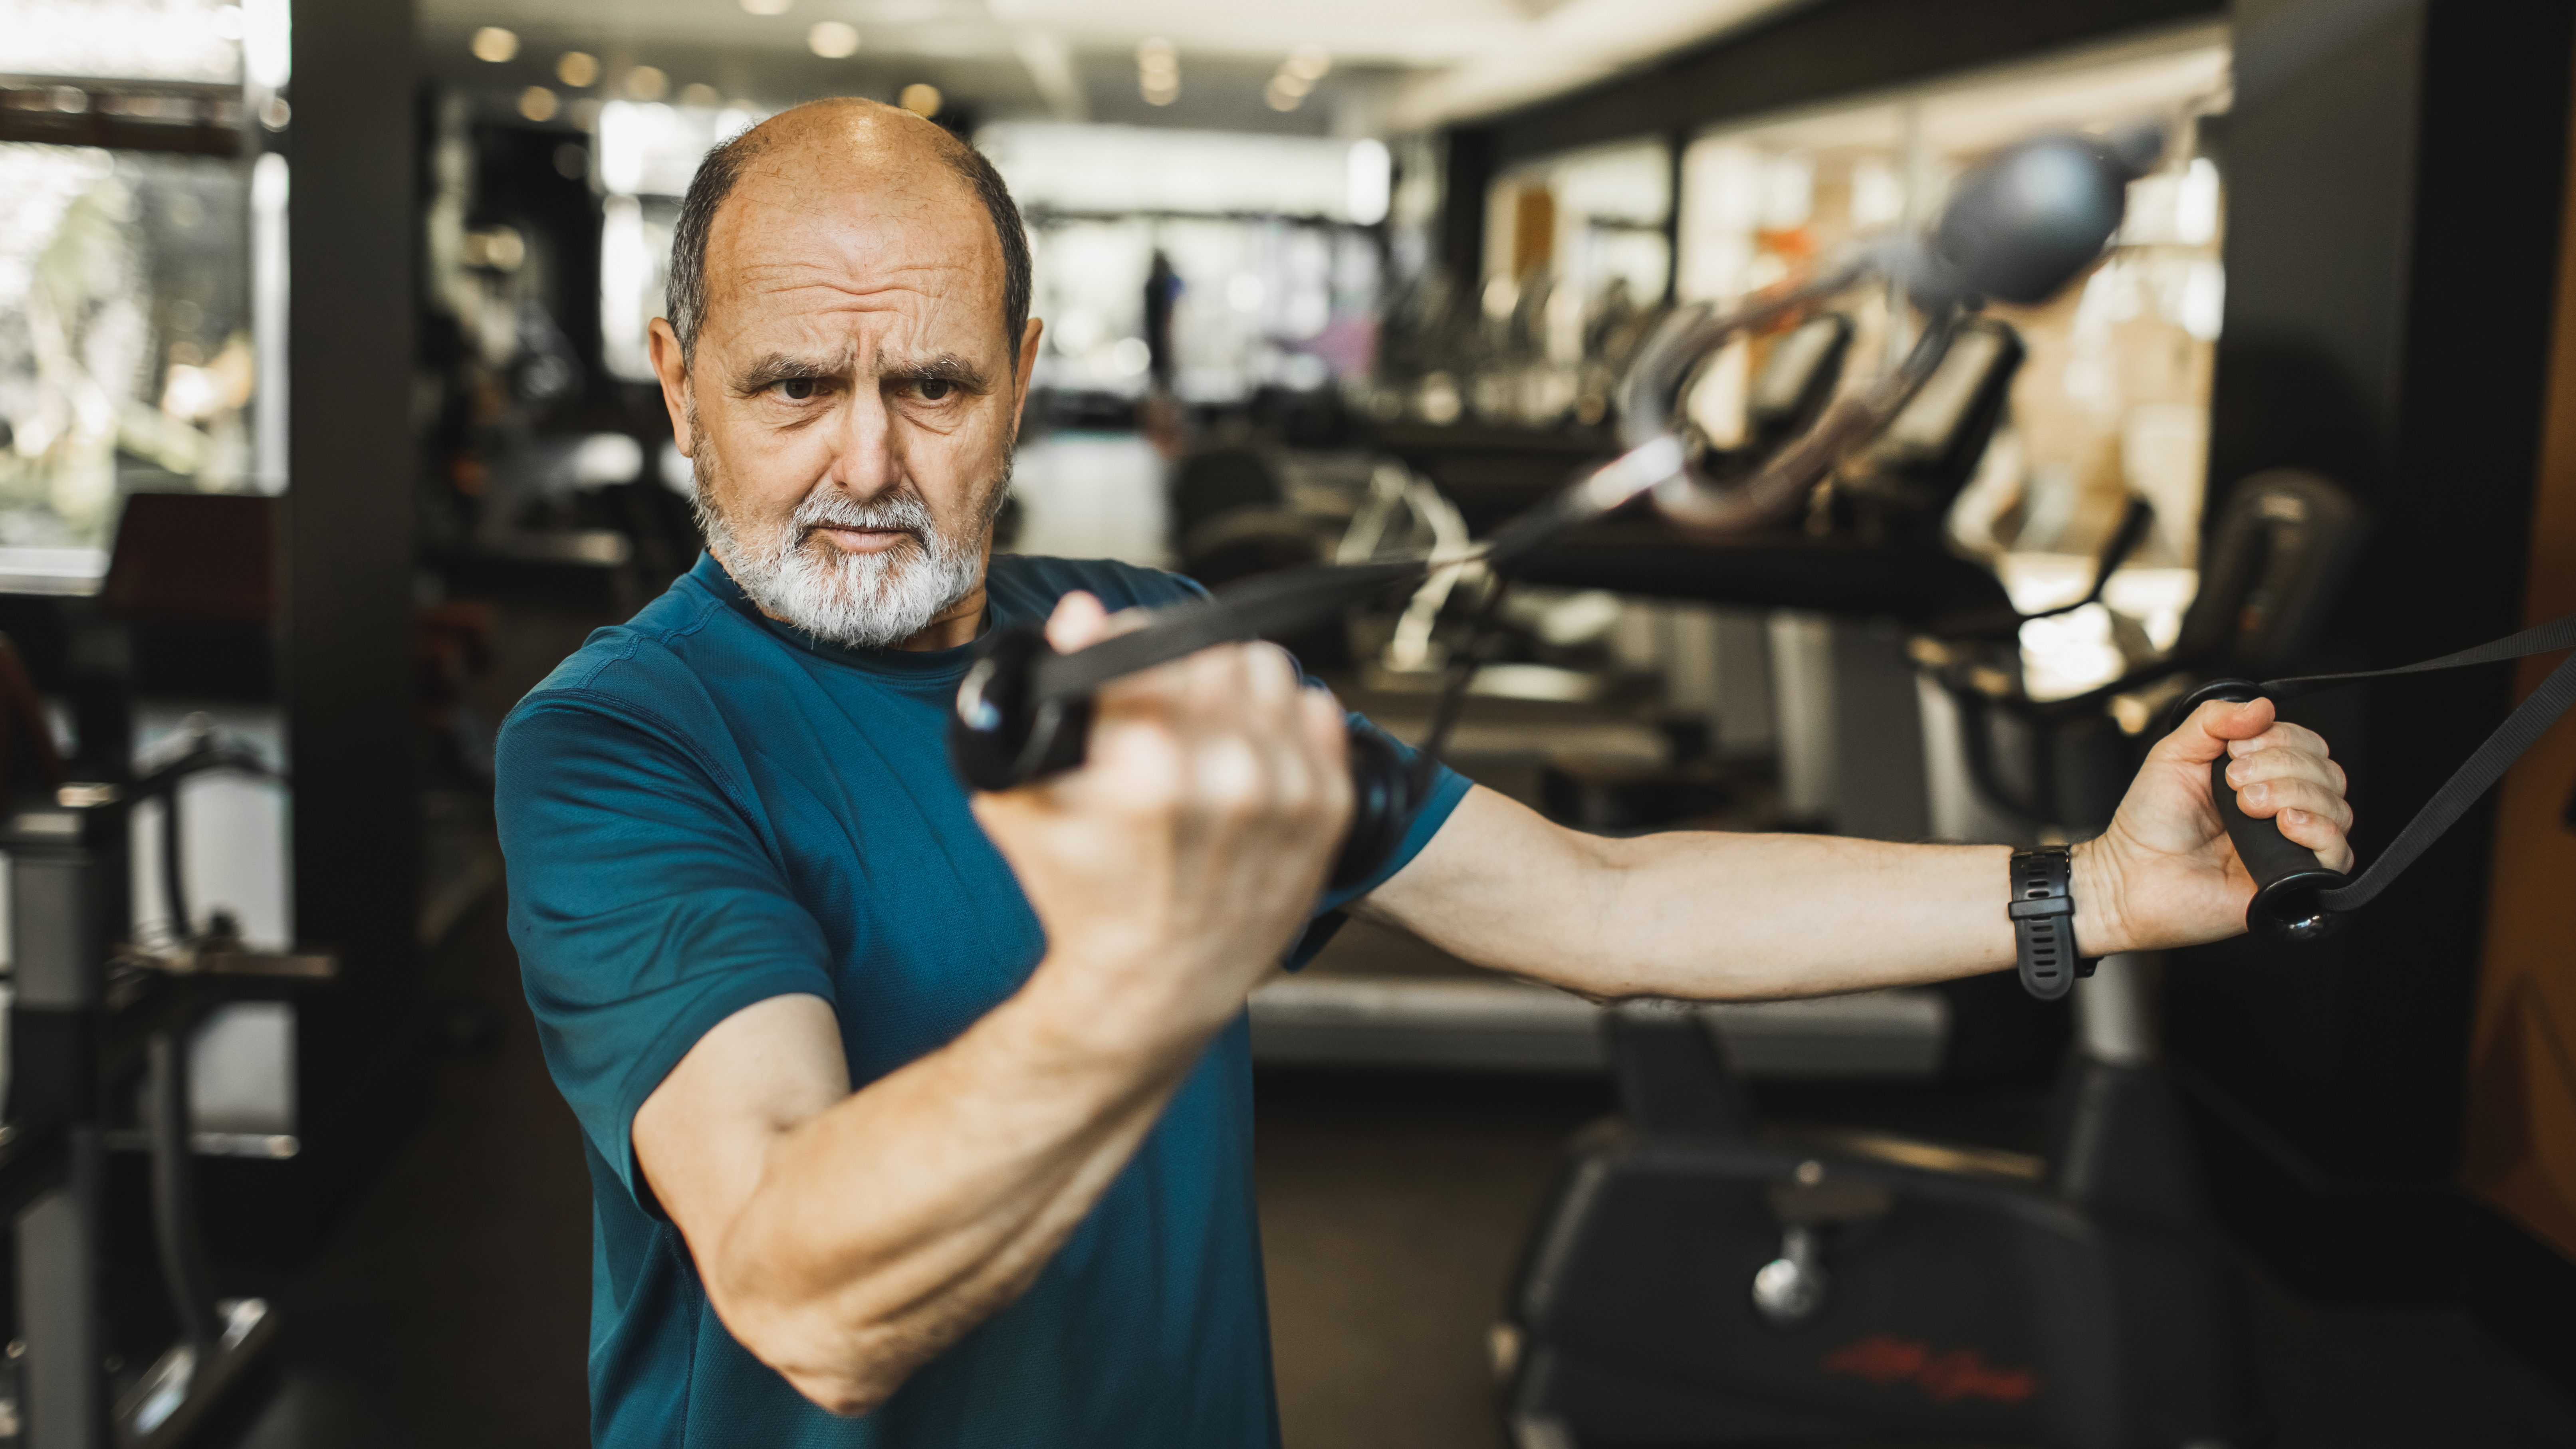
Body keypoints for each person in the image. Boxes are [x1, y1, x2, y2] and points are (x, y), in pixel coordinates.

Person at [495, 99, 2356, 1449]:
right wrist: (1148, 972)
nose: (866, 461)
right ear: (678, 384)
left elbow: (1594, 902)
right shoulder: (622, 738)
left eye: (936, 389)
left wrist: (2089, 887)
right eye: (792, 388)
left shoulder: (1141, 637)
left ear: (1027, 373)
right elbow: (803, 1292)